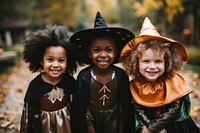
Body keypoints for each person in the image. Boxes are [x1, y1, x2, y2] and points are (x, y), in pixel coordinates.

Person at [120, 17, 200, 133]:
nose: (152, 66)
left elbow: (174, 108)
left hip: (173, 124)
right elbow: (138, 109)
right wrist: (149, 127)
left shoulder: (173, 81)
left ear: (167, 62)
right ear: (136, 63)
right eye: (146, 61)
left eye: (158, 61)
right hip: (146, 124)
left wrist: (154, 128)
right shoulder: (135, 85)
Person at [70, 11, 135, 133]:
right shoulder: (84, 77)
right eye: (97, 50)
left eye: (109, 50)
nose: (103, 55)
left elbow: (124, 105)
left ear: (116, 53)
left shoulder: (121, 75)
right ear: (89, 53)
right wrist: (90, 128)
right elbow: (82, 107)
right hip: (92, 123)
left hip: (115, 122)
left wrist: (122, 128)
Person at [20, 25, 78, 133]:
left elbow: (77, 105)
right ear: (41, 61)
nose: (55, 65)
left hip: (67, 124)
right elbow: (29, 113)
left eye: (61, 60)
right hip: (44, 126)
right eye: (50, 60)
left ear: (67, 62)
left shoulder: (69, 81)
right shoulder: (35, 85)